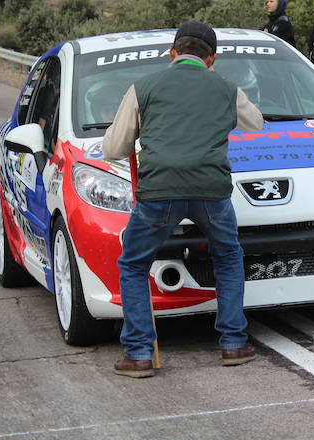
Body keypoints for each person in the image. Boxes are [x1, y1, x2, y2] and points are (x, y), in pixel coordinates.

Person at [102, 21, 264, 378]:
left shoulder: (143, 87)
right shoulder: (224, 87)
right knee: (227, 256)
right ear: (211, 59)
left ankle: (140, 353)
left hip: (159, 190)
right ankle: (234, 343)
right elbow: (255, 124)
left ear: (172, 53)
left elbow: (114, 147)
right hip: (211, 190)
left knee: (133, 265)